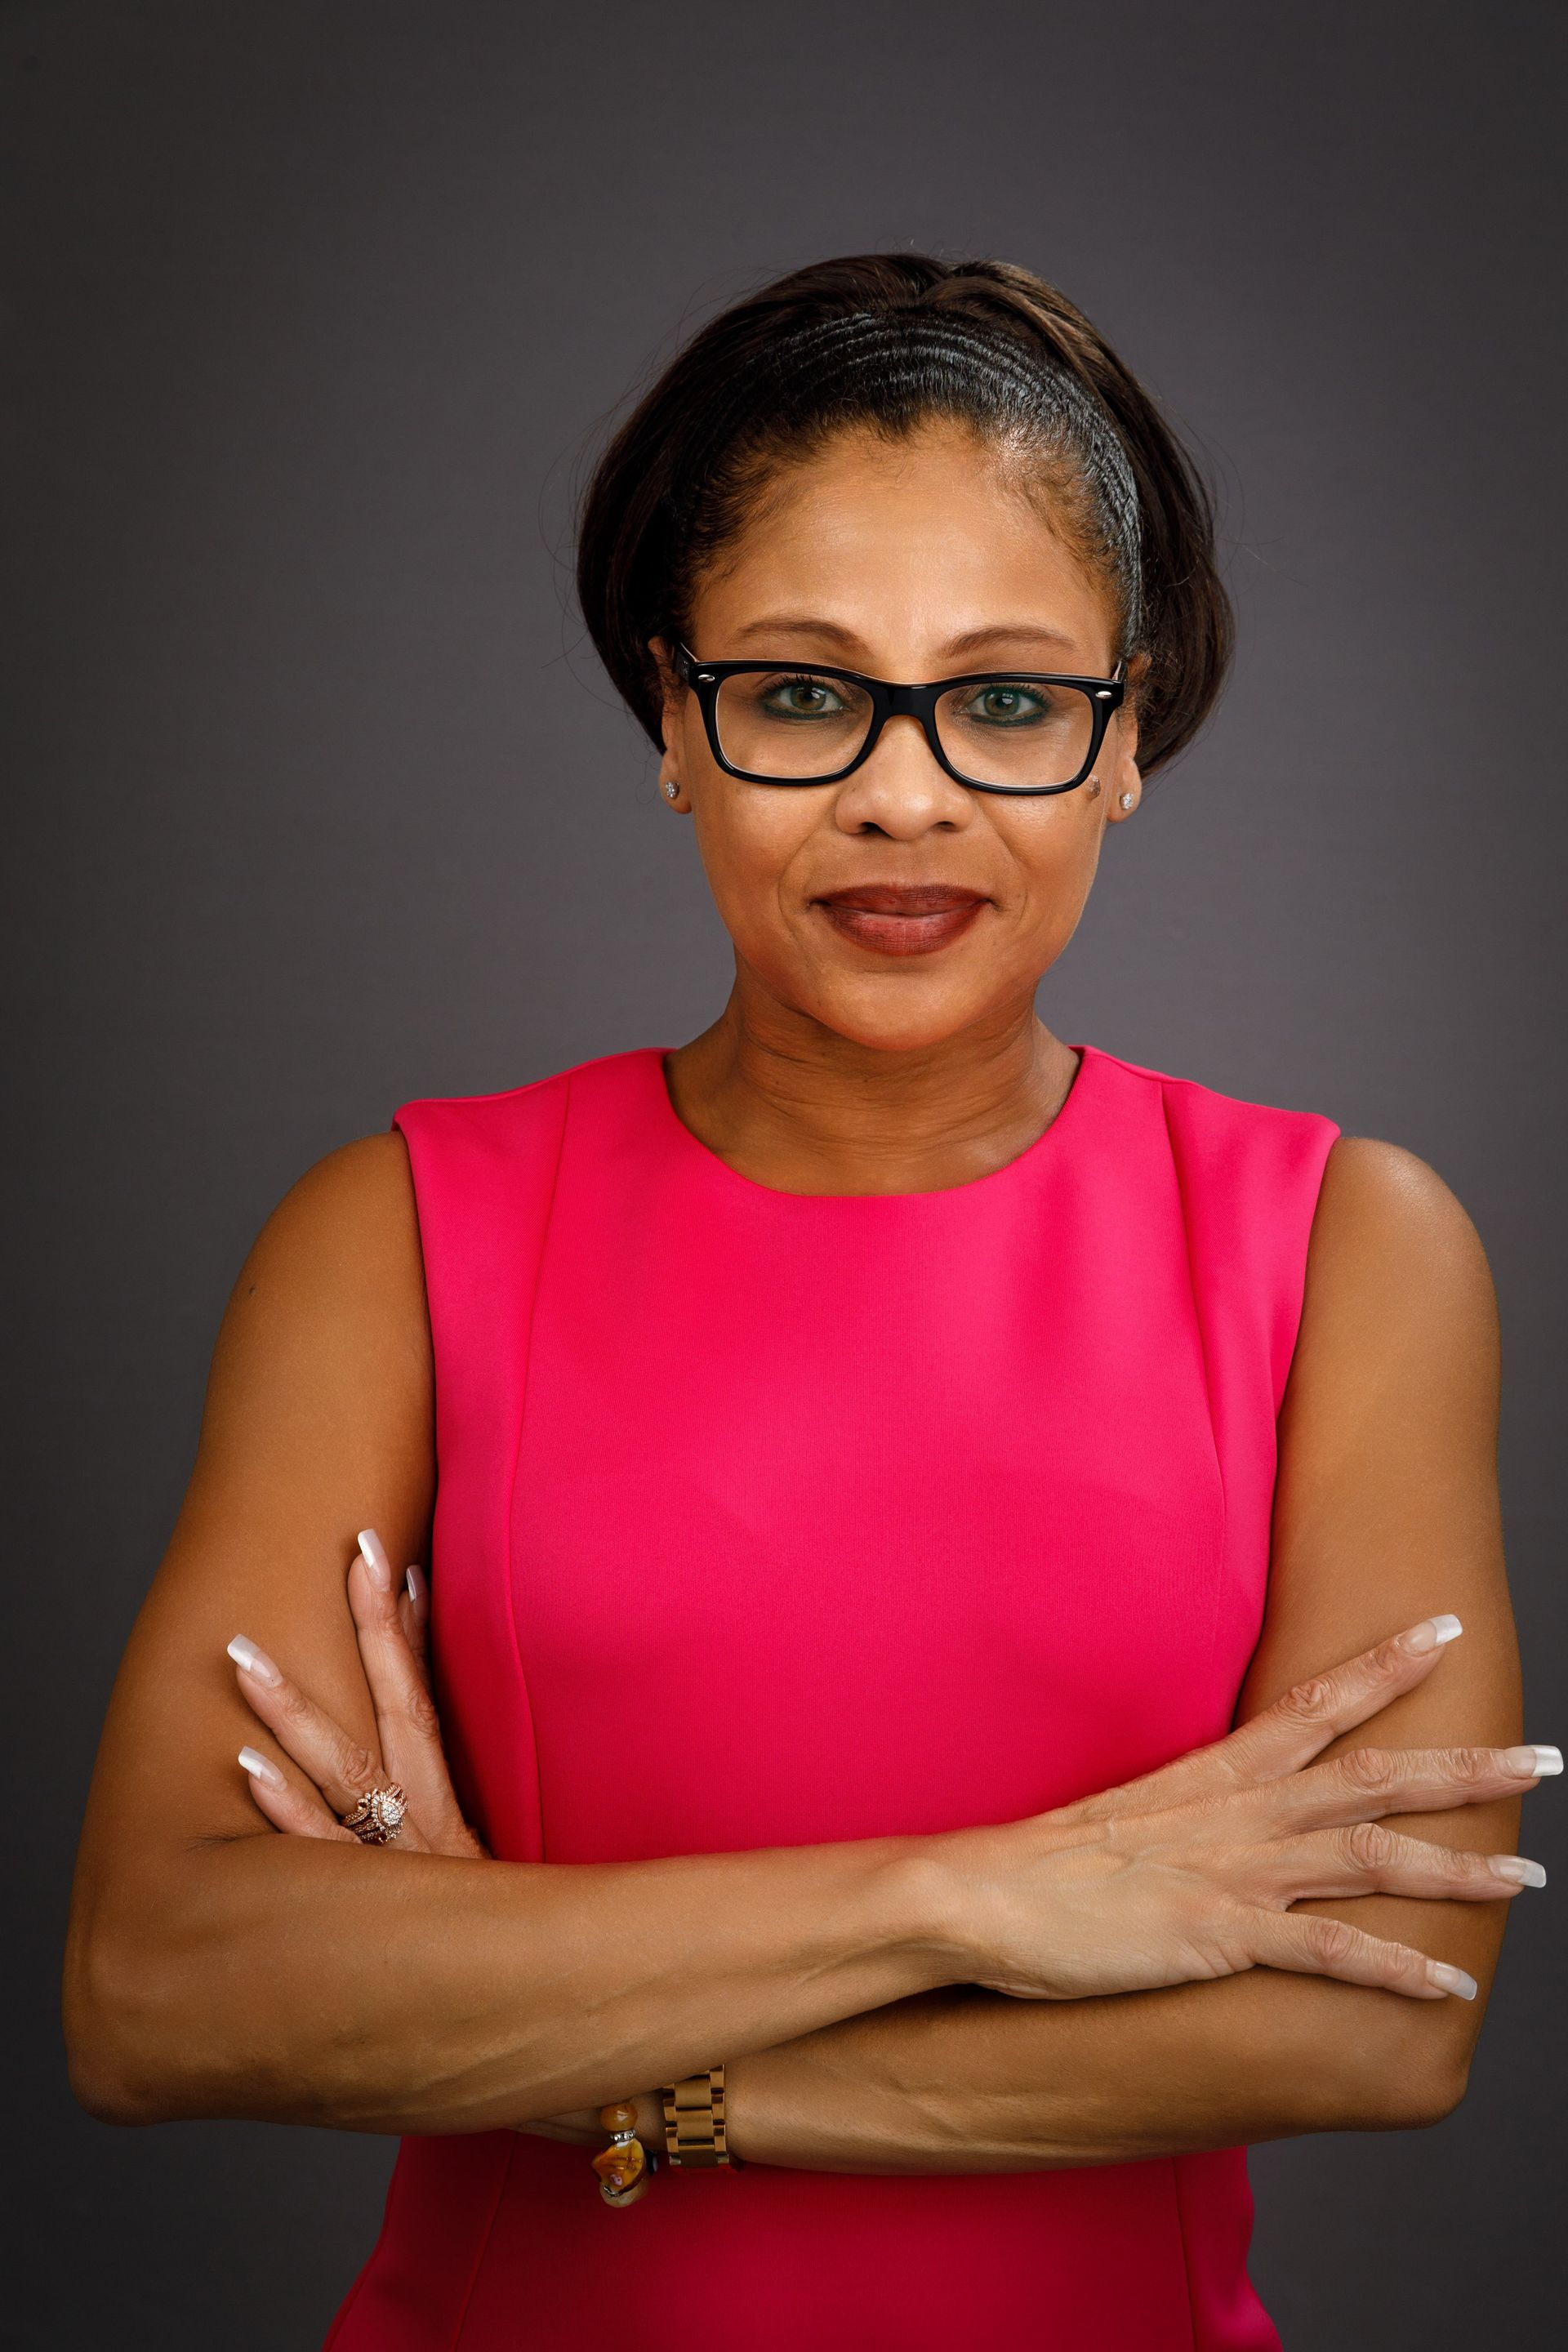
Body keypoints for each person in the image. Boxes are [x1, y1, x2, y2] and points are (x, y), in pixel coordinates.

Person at [63, 252, 1555, 2351]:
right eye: (799, 690)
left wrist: (575, 2045)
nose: (904, 794)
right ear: (677, 723)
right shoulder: (397, 1232)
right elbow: (160, 1995)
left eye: (1015, 700)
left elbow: (1371, 2032)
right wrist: (979, 1897)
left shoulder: (1351, 1247)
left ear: (1130, 739)